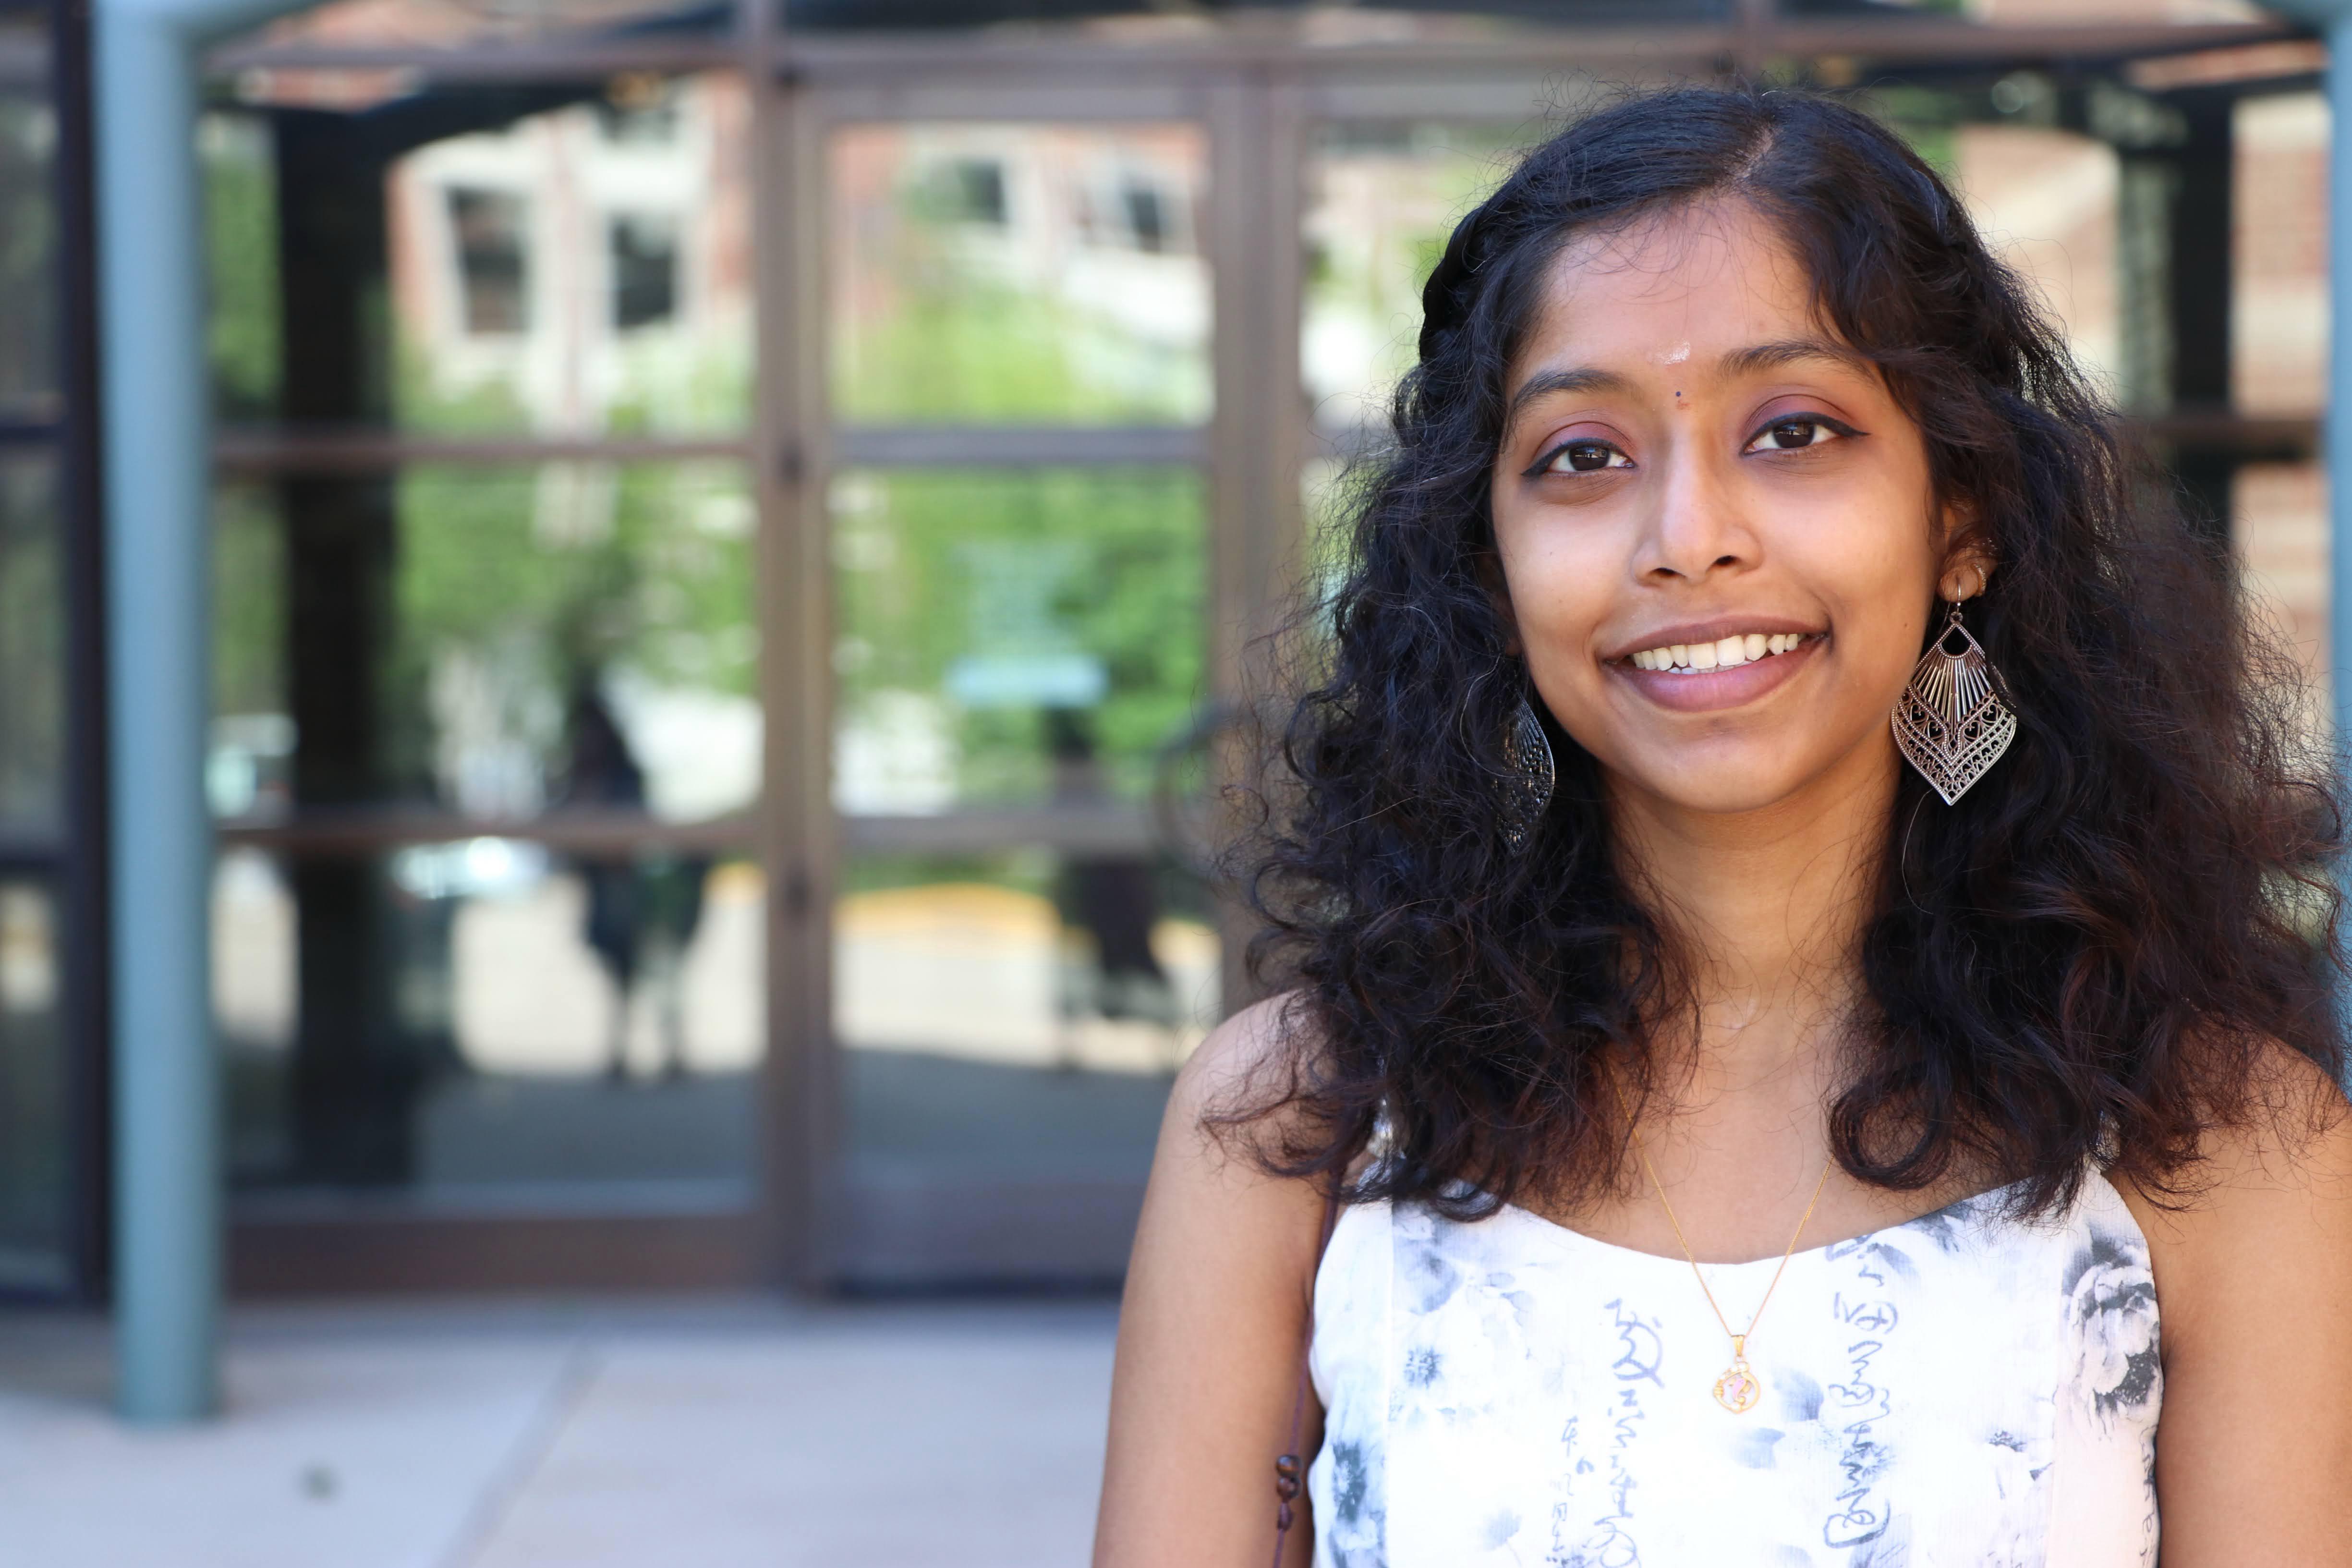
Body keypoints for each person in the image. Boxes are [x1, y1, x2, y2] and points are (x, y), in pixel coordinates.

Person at [1094, 87, 2352, 1567]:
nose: (1687, 534)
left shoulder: (2218, 1138)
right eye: (1581, 454)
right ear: (1485, 556)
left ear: (1960, 520)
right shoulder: (1298, 1127)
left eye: (1794, 429)